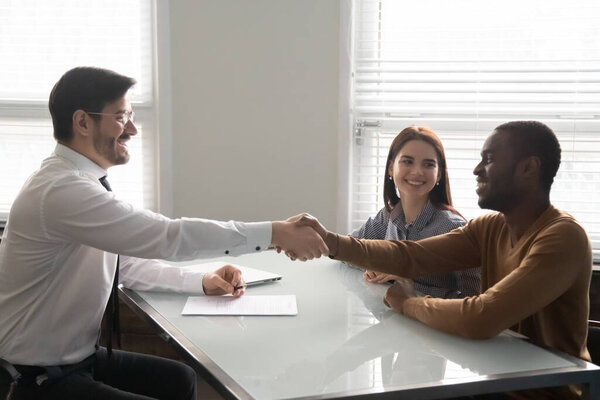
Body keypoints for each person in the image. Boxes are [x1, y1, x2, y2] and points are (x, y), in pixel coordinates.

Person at [0, 66, 328, 400]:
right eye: (121, 117)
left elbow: (121, 265)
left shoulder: (81, 183)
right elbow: (167, 236)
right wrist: (275, 233)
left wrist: (201, 281)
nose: (132, 129)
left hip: (78, 360)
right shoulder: (61, 190)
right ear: (83, 122)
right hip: (37, 379)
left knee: (180, 379)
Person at [296, 121, 592, 400]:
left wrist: (406, 303)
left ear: (528, 168)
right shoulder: (490, 227)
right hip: (493, 378)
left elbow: (481, 316)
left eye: (488, 159)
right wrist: (329, 241)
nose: (477, 169)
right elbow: (410, 255)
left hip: (541, 392)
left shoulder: (563, 237)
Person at [351, 126, 479, 298]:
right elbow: (350, 252)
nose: (418, 172)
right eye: (408, 161)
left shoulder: (454, 228)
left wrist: (411, 284)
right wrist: (375, 266)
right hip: (393, 320)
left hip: (434, 324)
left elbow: (474, 301)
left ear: (439, 173)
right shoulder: (388, 216)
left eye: (428, 164)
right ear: (391, 168)